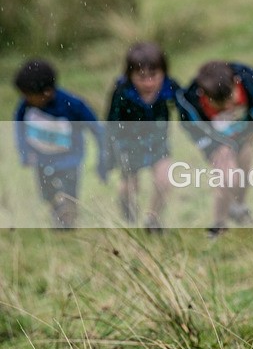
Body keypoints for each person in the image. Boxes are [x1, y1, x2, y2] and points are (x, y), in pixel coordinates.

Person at [176, 60, 253, 237]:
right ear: (203, 94)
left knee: (244, 167)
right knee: (228, 176)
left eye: (230, 99)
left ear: (235, 82)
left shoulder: (250, 81)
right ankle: (219, 224)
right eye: (219, 104)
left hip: (243, 136)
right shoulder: (191, 100)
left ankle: (239, 208)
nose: (228, 107)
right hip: (216, 142)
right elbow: (190, 125)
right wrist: (213, 146)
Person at [12, 59, 107, 228]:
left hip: (69, 158)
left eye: (28, 95)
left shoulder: (72, 105)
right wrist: (25, 153)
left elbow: (96, 129)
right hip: (42, 159)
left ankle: (68, 221)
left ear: (47, 93)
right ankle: (58, 212)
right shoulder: (25, 107)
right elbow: (20, 129)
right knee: (47, 193)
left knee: (69, 191)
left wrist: (103, 155)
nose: (25, 99)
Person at [106, 42, 182, 232]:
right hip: (128, 145)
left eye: (154, 76)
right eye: (141, 77)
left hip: (157, 143)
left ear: (163, 73)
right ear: (130, 76)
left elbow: (187, 107)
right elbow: (112, 123)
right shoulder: (122, 92)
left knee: (166, 180)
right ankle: (127, 209)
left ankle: (153, 220)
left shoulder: (169, 88)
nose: (149, 83)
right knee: (129, 187)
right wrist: (110, 153)